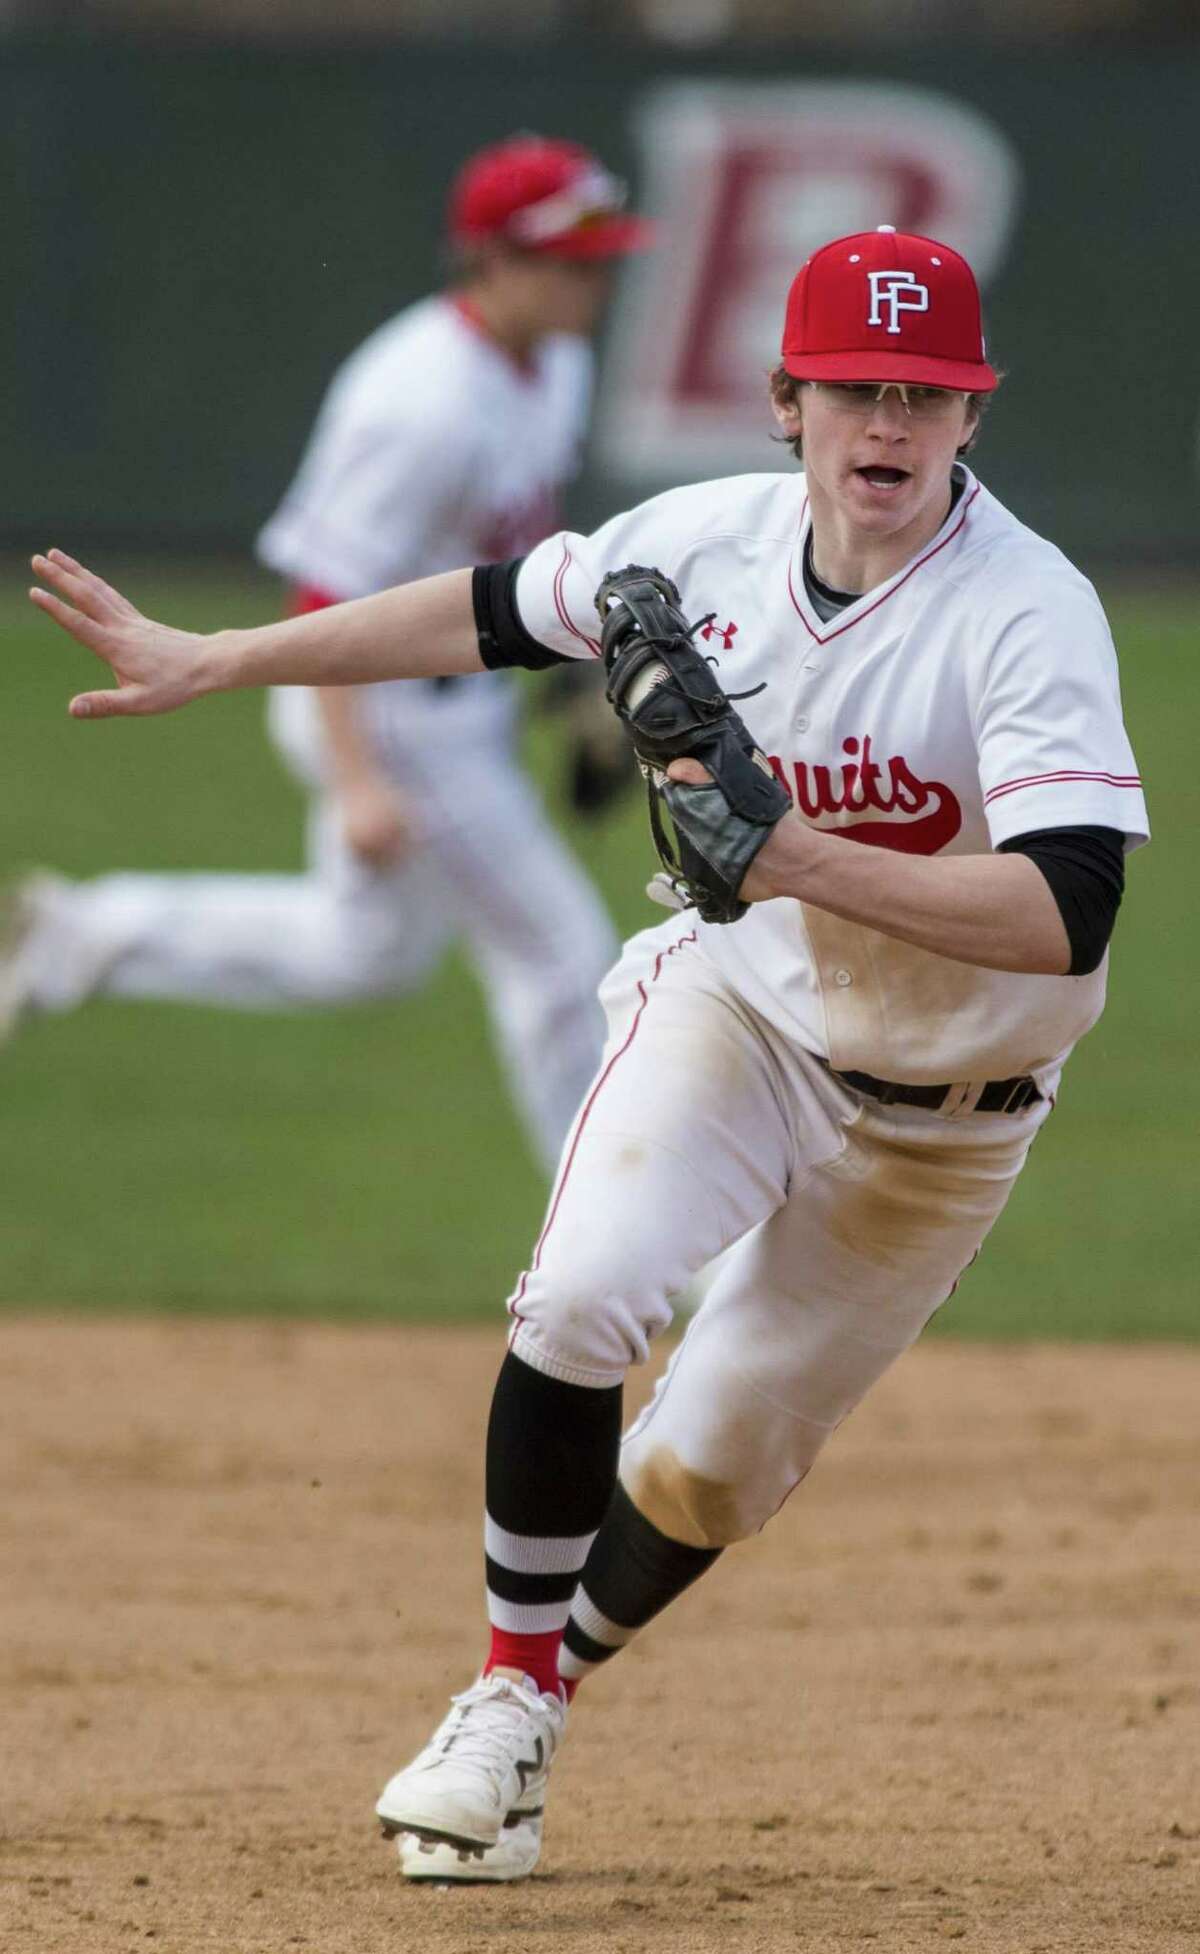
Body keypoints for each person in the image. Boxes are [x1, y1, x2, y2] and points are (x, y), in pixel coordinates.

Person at [28, 225, 1148, 1887]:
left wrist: (794, 855)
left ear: (973, 416)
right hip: (741, 1011)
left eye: (929, 390)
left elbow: (1073, 906)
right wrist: (224, 658)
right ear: (789, 398)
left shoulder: (1025, 612)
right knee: (577, 1296)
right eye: (857, 385)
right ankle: (501, 1695)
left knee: (710, 1460)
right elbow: (483, 611)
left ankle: (547, 1688)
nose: (889, 422)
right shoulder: (700, 540)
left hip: (948, 1118)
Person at [2, 134, 653, 1177]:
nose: (597, 281)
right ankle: (609, 1236)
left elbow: (507, 547)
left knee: (368, 955)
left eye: (603, 257)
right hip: (385, 712)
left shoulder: (555, 366)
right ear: (491, 257)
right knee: (559, 956)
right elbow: (324, 591)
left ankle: (89, 931)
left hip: (455, 700)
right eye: (572, 261)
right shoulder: (419, 398)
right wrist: (357, 778)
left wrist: (572, 686)